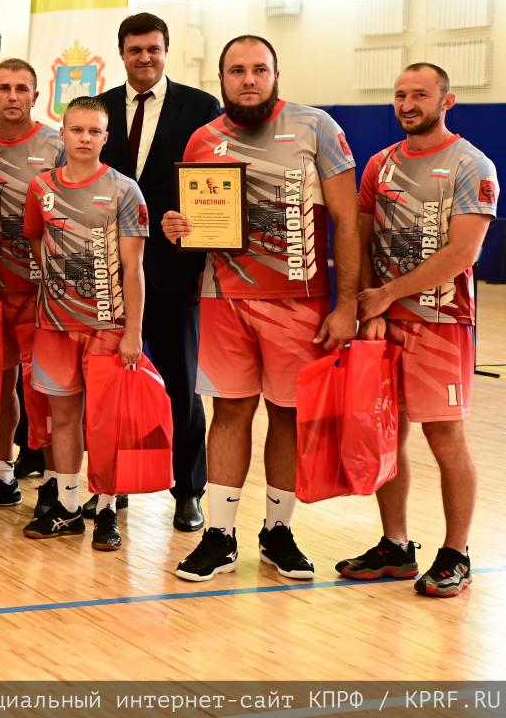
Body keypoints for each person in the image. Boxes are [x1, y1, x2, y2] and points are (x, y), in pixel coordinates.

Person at [166, 34, 358, 582]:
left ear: (276, 75)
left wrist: (346, 305)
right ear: (221, 79)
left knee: (287, 415)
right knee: (228, 413)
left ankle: (278, 532)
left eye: (259, 69)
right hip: (224, 300)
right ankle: (220, 536)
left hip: (299, 304)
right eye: (237, 70)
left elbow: (347, 221)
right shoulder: (203, 139)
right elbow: (199, 221)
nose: (248, 79)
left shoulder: (317, 127)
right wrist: (180, 228)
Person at [336, 63, 496, 598]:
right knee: (388, 435)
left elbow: (463, 252)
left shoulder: (472, 164)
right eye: (401, 94)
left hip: (442, 323)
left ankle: (457, 553)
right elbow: (360, 242)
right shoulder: (379, 165)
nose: (408, 104)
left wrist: (387, 295)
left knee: (445, 438)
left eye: (420, 95)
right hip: (385, 325)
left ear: (447, 101)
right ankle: (396, 546)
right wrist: (370, 306)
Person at [100, 13, 221, 534]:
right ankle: (115, 485)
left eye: (153, 49)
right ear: (122, 54)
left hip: (175, 270)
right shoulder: (100, 109)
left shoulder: (200, 107)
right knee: (114, 384)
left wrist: (196, 240)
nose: (144, 57)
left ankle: (188, 491)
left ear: (166, 51)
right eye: (135, 50)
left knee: (180, 384)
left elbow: (215, 188)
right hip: (109, 271)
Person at [22, 96, 148, 551]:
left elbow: (133, 269)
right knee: (64, 418)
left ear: (105, 138)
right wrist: (59, 287)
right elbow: (35, 240)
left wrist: (132, 331)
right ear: (62, 134)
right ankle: (69, 509)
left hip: (108, 328)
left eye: (94, 131)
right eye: (76, 130)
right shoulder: (40, 187)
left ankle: (107, 509)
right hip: (54, 325)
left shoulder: (124, 190)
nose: (84, 138)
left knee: (105, 423)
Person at [0, 59, 65, 513]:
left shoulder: (57, 144)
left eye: (21, 88)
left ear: (35, 96)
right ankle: (0, 473)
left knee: (46, 390)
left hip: (40, 292)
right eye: (4, 88)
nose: (13, 96)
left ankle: (56, 482)